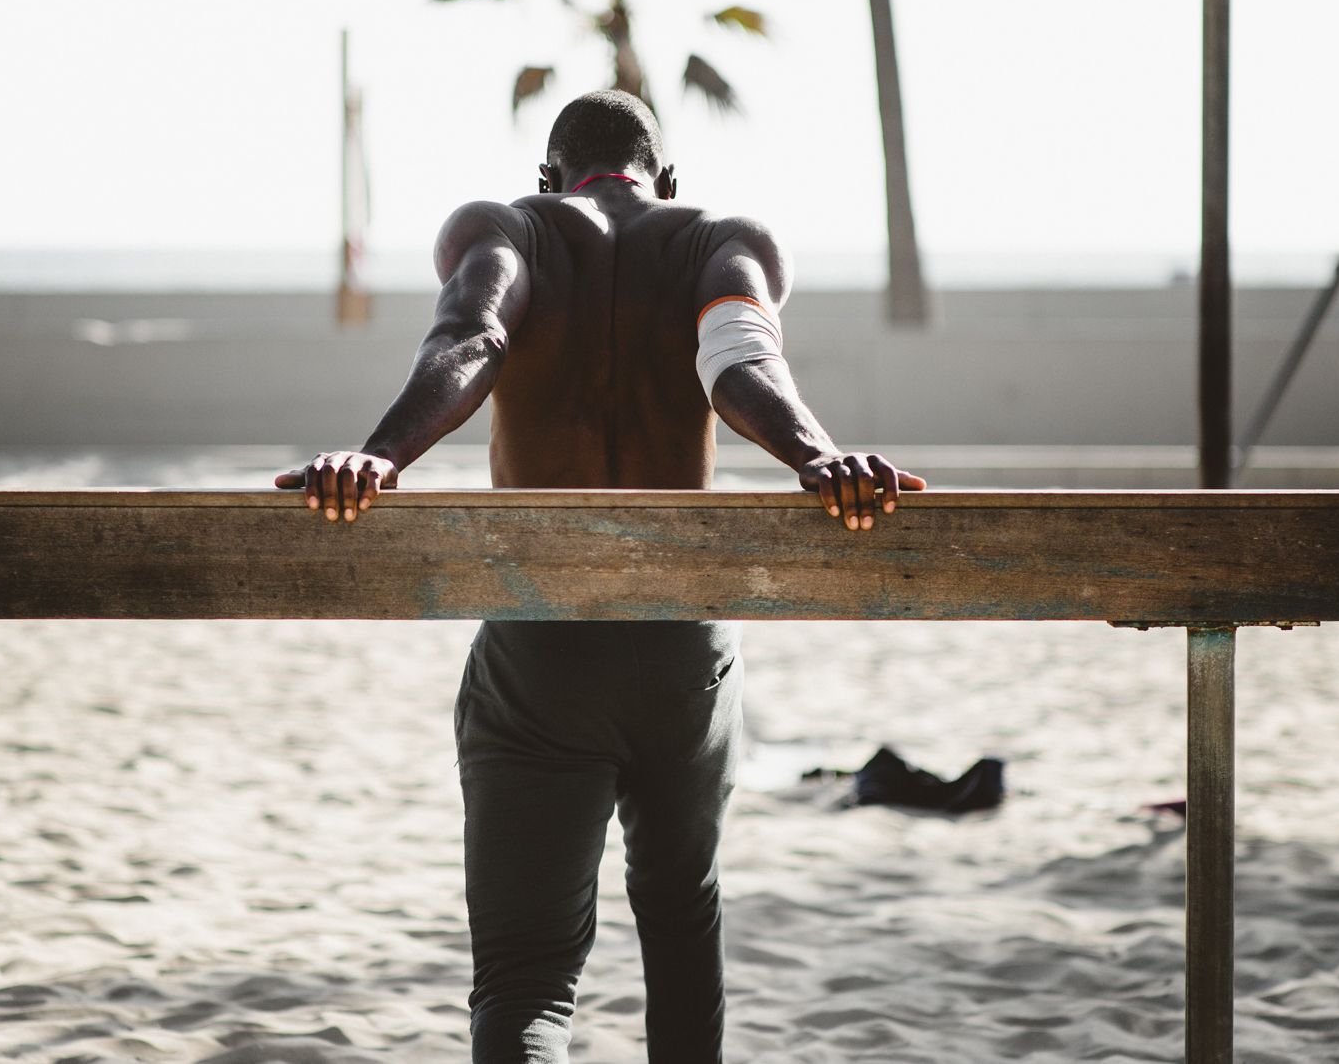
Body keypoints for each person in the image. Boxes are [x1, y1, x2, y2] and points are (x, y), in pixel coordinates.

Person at [276, 89, 926, 1064]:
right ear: (665, 179)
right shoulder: (719, 236)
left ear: (546, 177)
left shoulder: (504, 228)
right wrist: (816, 457)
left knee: (525, 973)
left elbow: (476, 335)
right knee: (679, 921)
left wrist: (380, 455)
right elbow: (736, 357)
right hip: (680, 645)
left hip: (542, 645)